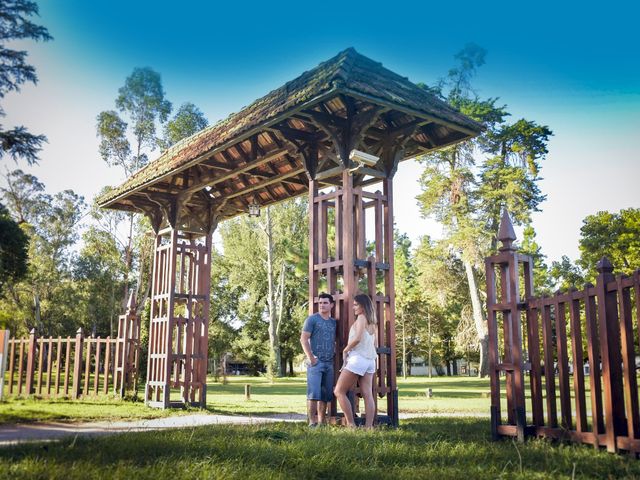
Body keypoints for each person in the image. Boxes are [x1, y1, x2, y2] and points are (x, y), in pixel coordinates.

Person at [334, 293, 377, 428]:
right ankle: (369, 427)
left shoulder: (361, 317)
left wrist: (345, 350)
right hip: (370, 361)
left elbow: (357, 338)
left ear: (363, 306)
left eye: (355, 304)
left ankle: (351, 424)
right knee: (368, 394)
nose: (353, 307)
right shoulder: (373, 322)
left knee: (339, 391)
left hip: (358, 359)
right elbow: (374, 345)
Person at [300, 292, 337, 426]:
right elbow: (303, 339)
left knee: (325, 395)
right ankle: (311, 423)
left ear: (331, 305)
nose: (322, 305)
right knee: (313, 394)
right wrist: (311, 358)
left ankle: (321, 423)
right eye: (320, 303)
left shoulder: (333, 322)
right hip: (316, 363)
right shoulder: (312, 319)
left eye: (325, 303)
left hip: (329, 363)